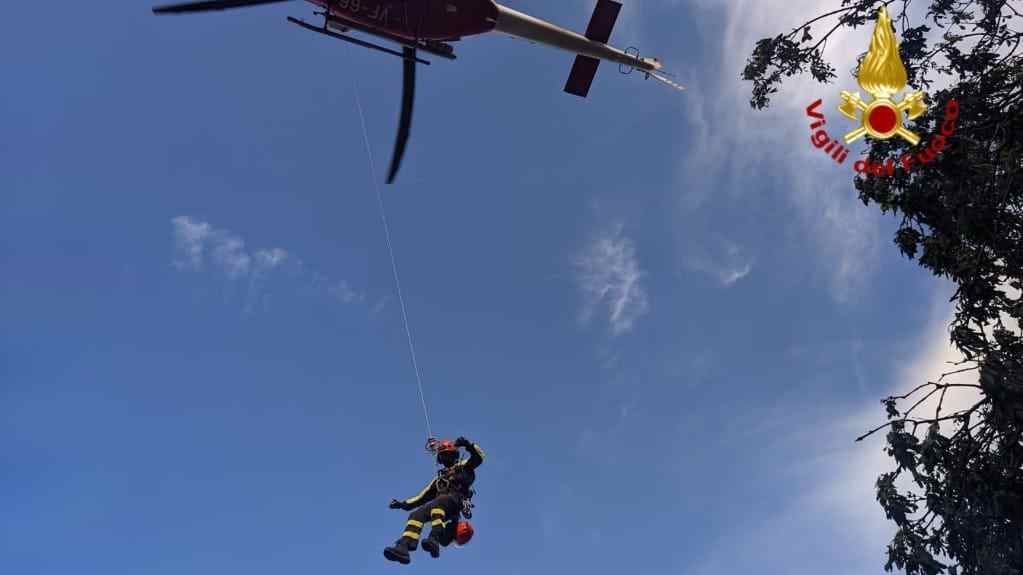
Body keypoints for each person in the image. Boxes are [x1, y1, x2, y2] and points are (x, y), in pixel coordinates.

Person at [383, 436, 485, 564]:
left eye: (448, 455)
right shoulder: (439, 480)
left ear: (455, 455)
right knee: (417, 515)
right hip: (441, 506)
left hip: (456, 501)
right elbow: (421, 497)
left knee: (438, 503)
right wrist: (403, 504)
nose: (446, 459)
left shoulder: (464, 467)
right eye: (443, 456)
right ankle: (403, 547)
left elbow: (479, 457)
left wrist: (468, 444)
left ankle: (434, 538)